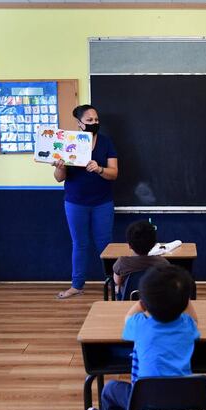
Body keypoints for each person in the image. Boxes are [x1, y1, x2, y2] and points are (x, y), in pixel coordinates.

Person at [85, 265, 199, 410]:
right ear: (184, 303)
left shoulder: (140, 325)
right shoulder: (187, 326)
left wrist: (142, 302)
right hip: (182, 405)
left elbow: (127, 318)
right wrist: (182, 299)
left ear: (145, 302)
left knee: (110, 389)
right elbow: (194, 319)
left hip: (142, 404)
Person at [53, 104, 119, 299]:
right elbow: (58, 177)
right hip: (75, 202)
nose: (94, 123)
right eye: (89, 120)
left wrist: (99, 169)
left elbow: (114, 173)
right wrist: (60, 166)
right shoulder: (67, 142)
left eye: (96, 120)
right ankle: (77, 285)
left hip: (102, 202)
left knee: (105, 244)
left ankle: (114, 284)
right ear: (79, 123)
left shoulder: (106, 143)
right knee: (79, 244)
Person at [112, 220, 169, 296]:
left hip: (128, 301)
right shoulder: (163, 263)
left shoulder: (122, 263)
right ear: (153, 245)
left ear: (129, 245)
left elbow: (117, 281)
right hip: (154, 302)